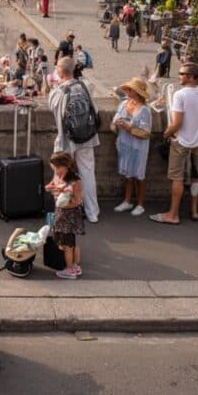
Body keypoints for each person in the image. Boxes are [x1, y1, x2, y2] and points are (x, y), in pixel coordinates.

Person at [152, 63, 198, 225]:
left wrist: (166, 134)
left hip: (181, 141)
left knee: (177, 178)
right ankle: (194, 211)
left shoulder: (180, 95)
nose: (178, 76)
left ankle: (173, 215)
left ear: (190, 77)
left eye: (181, 73)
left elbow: (177, 123)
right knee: (196, 177)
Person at [48, 57, 100, 222]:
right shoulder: (85, 87)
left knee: (62, 174)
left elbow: (56, 115)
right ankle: (92, 213)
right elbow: (94, 111)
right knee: (88, 173)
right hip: (87, 136)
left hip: (66, 138)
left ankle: (63, 209)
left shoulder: (58, 92)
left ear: (61, 71)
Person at [111, 78, 152, 217]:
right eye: (127, 89)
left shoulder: (145, 110)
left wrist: (129, 128)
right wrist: (116, 124)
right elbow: (113, 123)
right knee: (127, 175)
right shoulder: (123, 104)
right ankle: (127, 201)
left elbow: (146, 133)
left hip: (138, 147)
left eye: (130, 89)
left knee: (139, 176)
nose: (127, 91)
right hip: (125, 145)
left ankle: (140, 204)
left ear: (137, 92)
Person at [45, 152, 84, 278]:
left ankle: (70, 270)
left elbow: (78, 201)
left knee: (67, 245)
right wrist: (52, 188)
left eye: (56, 167)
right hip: (62, 214)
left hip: (69, 215)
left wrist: (63, 204)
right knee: (72, 242)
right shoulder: (59, 175)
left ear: (64, 166)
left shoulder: (75, 180)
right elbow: (54, 185)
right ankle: (76, 266)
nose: (55, 170)